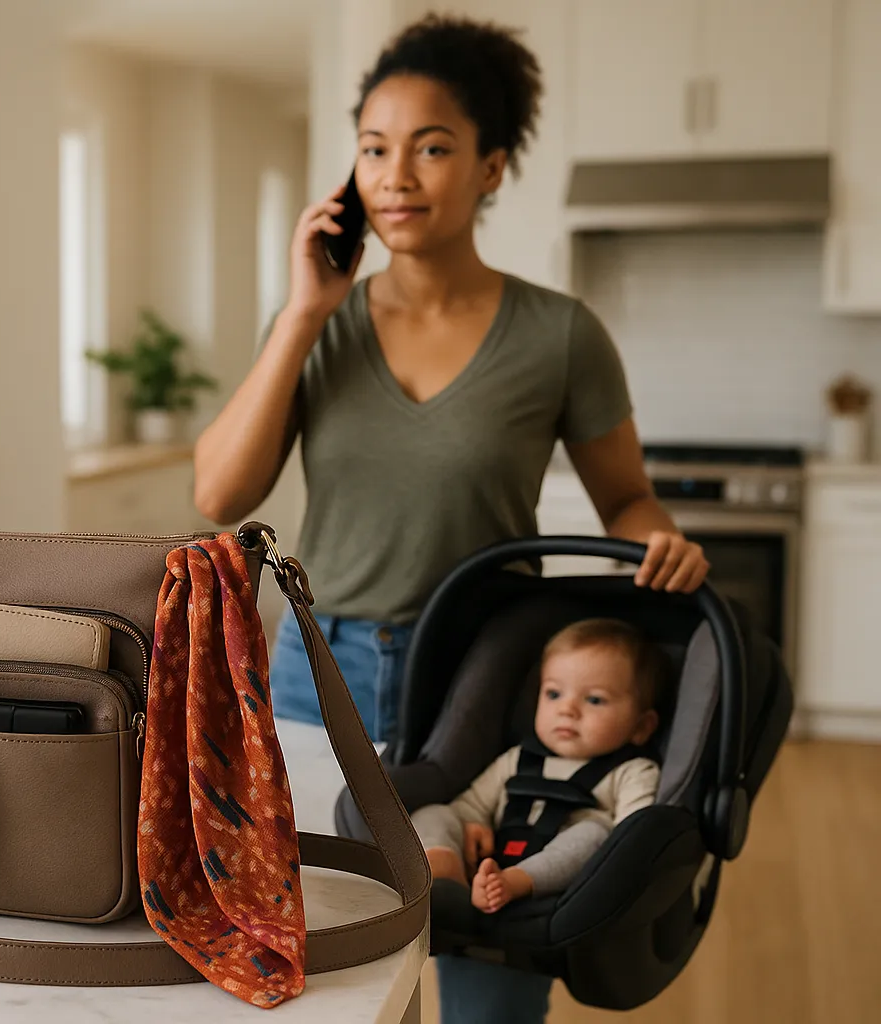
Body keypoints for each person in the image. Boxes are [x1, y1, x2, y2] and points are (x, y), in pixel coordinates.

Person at [191, 14, 711, 1023]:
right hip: (315, 676)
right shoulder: (318, 323)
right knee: (324, 970)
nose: (398, 174)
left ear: (491, 167)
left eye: (432, 146)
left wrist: (660, 538)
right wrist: (302, 312)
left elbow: (626, 500)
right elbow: (218, 494)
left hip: (486, 681)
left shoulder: (561, 334)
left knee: (488, 970)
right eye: (375, 149)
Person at [410, 618, 663, 913]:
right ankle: (444, 875)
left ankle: (514, 883)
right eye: (554, 694)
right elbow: (469, 807)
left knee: (597, 835)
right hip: (483, 865)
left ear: (641, 727)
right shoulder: (517, 759)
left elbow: (633, 843)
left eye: (594, 699)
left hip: (561, 882)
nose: (567, 709)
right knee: (435, 813)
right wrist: (474, 825)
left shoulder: (633, 771)